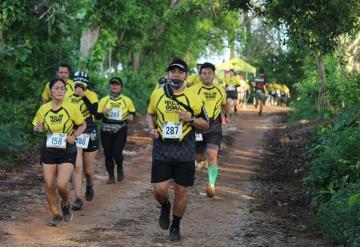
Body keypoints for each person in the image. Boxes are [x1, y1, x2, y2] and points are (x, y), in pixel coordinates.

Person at [146, 58, 209, 241]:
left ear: (186, 76)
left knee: (181, 190)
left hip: (184, 148)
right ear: (167, 74)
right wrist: (151, 128)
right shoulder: (158, 93)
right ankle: (165, 205)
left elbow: (205, 124)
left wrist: (190, 119)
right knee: (160, 189)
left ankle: (175, 224)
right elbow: (150, 114)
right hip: (162, 147)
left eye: (180, 72)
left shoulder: (194, 97)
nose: (176, 74)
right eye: (172, 71)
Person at [33, 78, 86, 227]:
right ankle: (55, 214)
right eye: (56, 88)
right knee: (49, 184)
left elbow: (83, 125)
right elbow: (37, 128)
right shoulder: (43, 109)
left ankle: (65, 203)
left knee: (62, 184)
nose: (59, 91)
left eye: (62, 88)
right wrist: (37, 129)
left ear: (65, 91)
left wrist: (74, 136)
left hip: (67, 150)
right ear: (50, 91)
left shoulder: (71, 107)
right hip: (49, 149)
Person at [192, 62, 229, 197]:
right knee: (197, 156)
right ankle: (201, 161)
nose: (207, 75)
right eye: (204, 73)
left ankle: (211, 184)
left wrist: (227, 115)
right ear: (200, 75)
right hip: (198, 127)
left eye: (209, 73)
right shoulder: (193, 90)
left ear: (214, 75)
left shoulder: (220, 90)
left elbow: (225, 104)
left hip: (215, 126)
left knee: (212, 154)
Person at [68, 71, 99, 210]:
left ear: (86, 84)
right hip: (76, 130)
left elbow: (95, 112)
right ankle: (78, 198)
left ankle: (90, 184)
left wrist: (83, 96)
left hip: (89, 129)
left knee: (87, 170)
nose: (79, 86)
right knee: (77, 165)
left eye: (82, 83)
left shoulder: (91, 95)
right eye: (77, 83)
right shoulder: (68, 96)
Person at [97, 77, 136, 184]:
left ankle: (119, 167)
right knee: (108, 154)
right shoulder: (104, 100)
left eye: (117, 85)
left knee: (117, 152)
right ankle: (111, 176)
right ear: (109, 86)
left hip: (120, 128)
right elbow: (97, 116)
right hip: (106, 128)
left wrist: (131, 116)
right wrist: (102, 112)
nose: (115, 86)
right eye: (113, 84)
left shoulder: (126, 100)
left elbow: (133, 112)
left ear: (121, 87)